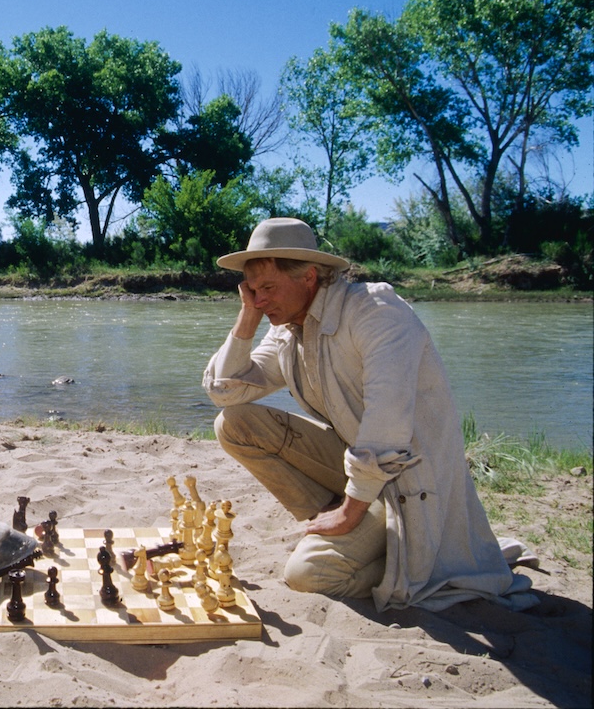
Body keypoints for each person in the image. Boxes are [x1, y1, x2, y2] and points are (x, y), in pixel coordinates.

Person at [202, 217, 535, 611]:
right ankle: (335, 523)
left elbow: (387, 426)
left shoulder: (375, 312)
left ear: (309, 277)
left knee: (307, 575)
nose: (259, 299)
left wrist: (350, 512)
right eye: (251, 290)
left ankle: (396, 554)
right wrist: (249, 316)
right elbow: (225, 391)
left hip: (405, 481)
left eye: (268, 288)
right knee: (235, 424)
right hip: (359, 471)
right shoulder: (288, 330)